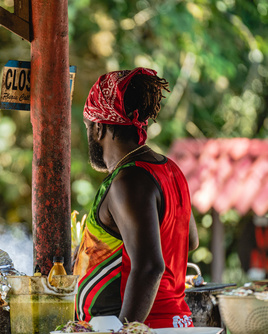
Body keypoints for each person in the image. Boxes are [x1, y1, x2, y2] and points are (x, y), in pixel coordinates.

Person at [73, 67, 199, 329]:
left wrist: (126, 329)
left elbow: (150, 267)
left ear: (98, 128)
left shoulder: (128, 181)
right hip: (175, 321)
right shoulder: (169, 169)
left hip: (148, 326)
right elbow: (191, 240)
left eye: (88, 126)